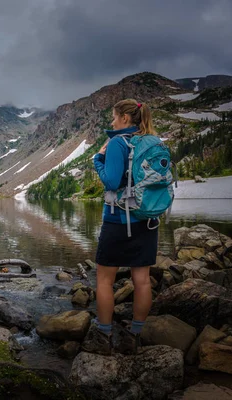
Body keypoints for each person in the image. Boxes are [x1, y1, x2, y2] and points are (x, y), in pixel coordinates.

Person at [81, 99, 158, 355]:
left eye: (114, 117)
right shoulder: (151, 141)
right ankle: (134, 334)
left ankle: (103, 334)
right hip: (147, 220)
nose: (111, 122)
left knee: (104, 280)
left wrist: (97, 160)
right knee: (142, 280)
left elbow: (111, 182)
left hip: (117, 221)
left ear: (125, 118)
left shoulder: (117, 142)